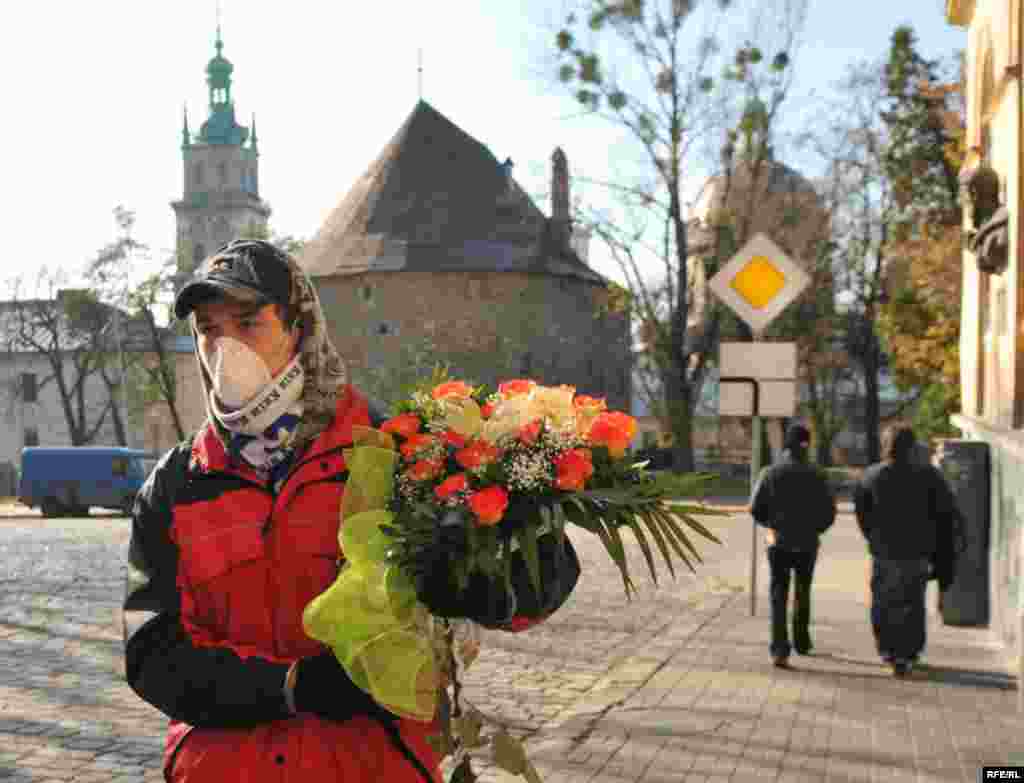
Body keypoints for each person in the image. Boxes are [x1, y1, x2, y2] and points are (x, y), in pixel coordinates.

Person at [121, 239, 580, 782]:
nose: (226, 347)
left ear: (298, 327)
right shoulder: (176, 484)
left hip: (374, 764)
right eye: (208, 329)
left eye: (247, 323)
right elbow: (152, 654)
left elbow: (533, 584)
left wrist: (486, 581)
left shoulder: (394, 448)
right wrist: (292, 686)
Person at [853, 424, 960, 677]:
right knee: (912, 603)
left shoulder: (871, 476)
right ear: (912, 447)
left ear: (886, 445)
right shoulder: (929, 476)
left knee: (883, 602)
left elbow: (862, 513)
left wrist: (873, 537)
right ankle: (908, 653)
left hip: (884, 552)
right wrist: (940, 552)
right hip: (917, 553)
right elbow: (945, 515)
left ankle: (889, 650)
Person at [750, 424, 837, 669]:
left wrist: (771, 526)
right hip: (807, 542)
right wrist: (816, 529)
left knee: (778, 593)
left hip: (778, 541)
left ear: (786, 444)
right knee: (803, 590)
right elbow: (830, 512)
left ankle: (779, 649)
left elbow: (755, 508)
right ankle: (801, 641)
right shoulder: (818, 474)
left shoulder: (770, 472)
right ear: (807, 444)